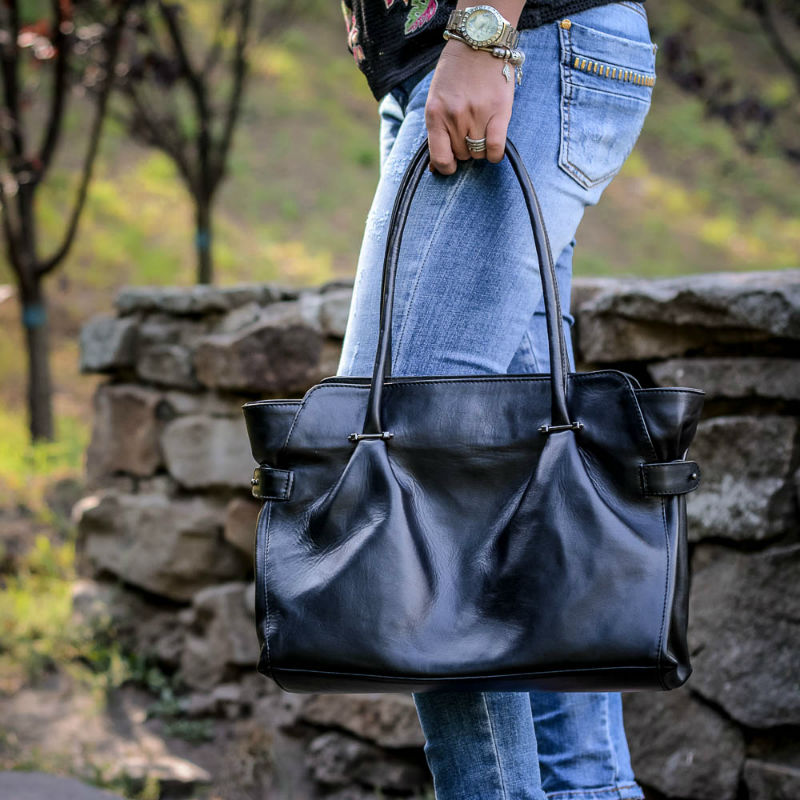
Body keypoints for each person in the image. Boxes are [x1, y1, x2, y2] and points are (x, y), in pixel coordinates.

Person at [335, 2, 656, 798]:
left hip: (511, 45)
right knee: (528, 476)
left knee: (416, 477)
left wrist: (485, 31)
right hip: (450, 65)